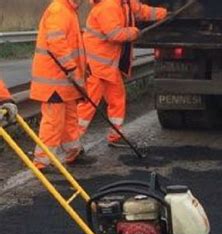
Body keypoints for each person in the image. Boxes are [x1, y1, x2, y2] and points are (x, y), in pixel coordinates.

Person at [77, 0, 167, 148]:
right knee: (88, 105)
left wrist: (163, 13)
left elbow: (142, 11)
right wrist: (134, 32)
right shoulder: (108, 6)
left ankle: (115, 135)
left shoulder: (125, 3)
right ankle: (71, 144)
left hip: (109, 66)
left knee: (117, 99)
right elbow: (115, 34)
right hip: (97, 66)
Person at [30, 0, 92, 171]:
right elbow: (56, 43)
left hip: (64, 80)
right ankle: (42, 162)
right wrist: (72, 68)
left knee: (70, 118)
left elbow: (73, 46)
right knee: (53, 122)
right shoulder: (59, 10)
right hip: (54, 81)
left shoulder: (69, 10)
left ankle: (73, 153)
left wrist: (80, 70)